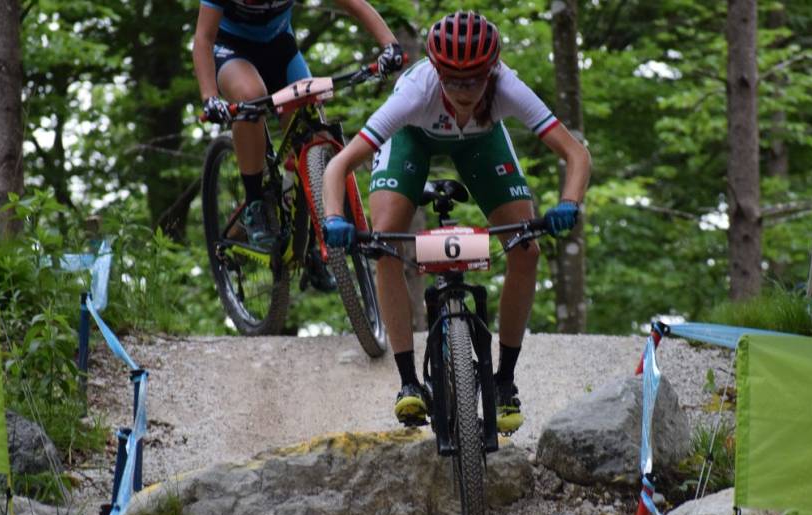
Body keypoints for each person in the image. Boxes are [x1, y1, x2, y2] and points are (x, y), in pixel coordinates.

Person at [321, 11, 592, 432]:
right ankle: (409, 382)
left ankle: (504, 382)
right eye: (453, 80)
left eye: (475, 80)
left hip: (482, 141)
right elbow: (338, 166)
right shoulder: (414, 93)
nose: (464, 90)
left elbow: (576, 155)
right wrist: (335, 218)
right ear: (436, 71)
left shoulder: (507, 86)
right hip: (412, 136)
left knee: (526, 247)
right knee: (385, 245)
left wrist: (569, 204)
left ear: (492, 71)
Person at [193, 0, 404, 287]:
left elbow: (353, 4)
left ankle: (314, 241)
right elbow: (204, 38)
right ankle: (256, 202)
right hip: (231, 51)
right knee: (250, 96)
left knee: (312, 128)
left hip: (280, 48)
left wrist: (389, 45)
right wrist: (210, 97)